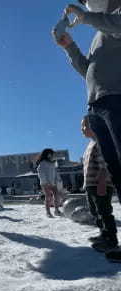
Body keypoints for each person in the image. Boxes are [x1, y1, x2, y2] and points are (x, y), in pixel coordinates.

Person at [53, 0, 121, 204]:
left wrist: (86, 17)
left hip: (117, 97)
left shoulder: (111, 20)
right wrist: (70, 47)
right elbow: (88, 71)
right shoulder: (99, 32)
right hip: (97, 104)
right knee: (115, 168)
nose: (87, 2)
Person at [82, 116, 118, 252]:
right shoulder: (90, 144)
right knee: (95, 211)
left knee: (104, 211)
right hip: (91, 184)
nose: (82, 130)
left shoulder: (101, 142)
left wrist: (102, 181)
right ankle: (103, 234)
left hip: (100, 184)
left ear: (94, 127)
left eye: (84, 126)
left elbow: (104, 164)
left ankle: (111, 239)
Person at [36, 149, 63, 218]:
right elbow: (40, 172)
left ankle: (56, 210)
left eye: (52, 154)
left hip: (53, 182)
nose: (52, 155)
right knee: (48, 196)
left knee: (56, 195)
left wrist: (58, 179)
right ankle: (48, 212)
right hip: (45, 183)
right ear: (47, 154)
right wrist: (45, 182)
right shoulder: (42, 163)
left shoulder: (53, 163)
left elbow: (56, 172)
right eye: (51, 154)